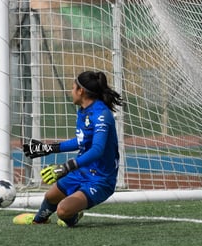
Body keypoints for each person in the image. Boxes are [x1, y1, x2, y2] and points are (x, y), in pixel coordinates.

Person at [13, 70, 123, 227]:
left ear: (81, 91)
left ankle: (73, 215)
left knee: (63, 211)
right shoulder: (84, 110)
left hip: (100, 180)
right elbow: (80, 141)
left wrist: (65, 167)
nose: (70, 92)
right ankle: (39, 220)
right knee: (51, 196)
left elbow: (97, 150)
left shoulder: (101, 115)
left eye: (72, 88)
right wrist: (48, 148)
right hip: (82, 172)